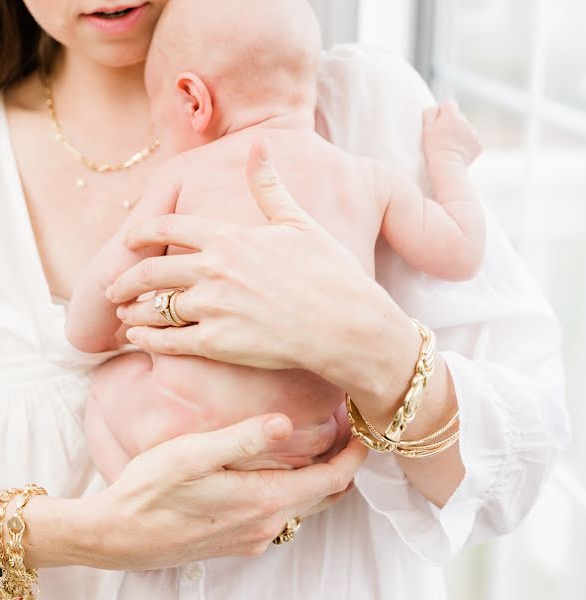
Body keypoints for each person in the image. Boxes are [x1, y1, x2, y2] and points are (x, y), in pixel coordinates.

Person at [0, 1, 569, 599]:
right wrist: (98, 533)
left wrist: (373, 349)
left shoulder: (366, 103)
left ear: (192, 100)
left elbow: (517, 471)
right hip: (308, 446)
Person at [68, 0, 486, 484]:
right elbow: (461, 252)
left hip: (181, 431)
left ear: (193, 101)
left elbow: (109, 288)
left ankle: (132, 508)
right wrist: (448, 158)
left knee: (103, 387)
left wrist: (91, 335)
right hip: (308, 440)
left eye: (158, 120)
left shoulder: (183, 174)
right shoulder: (369, 179)